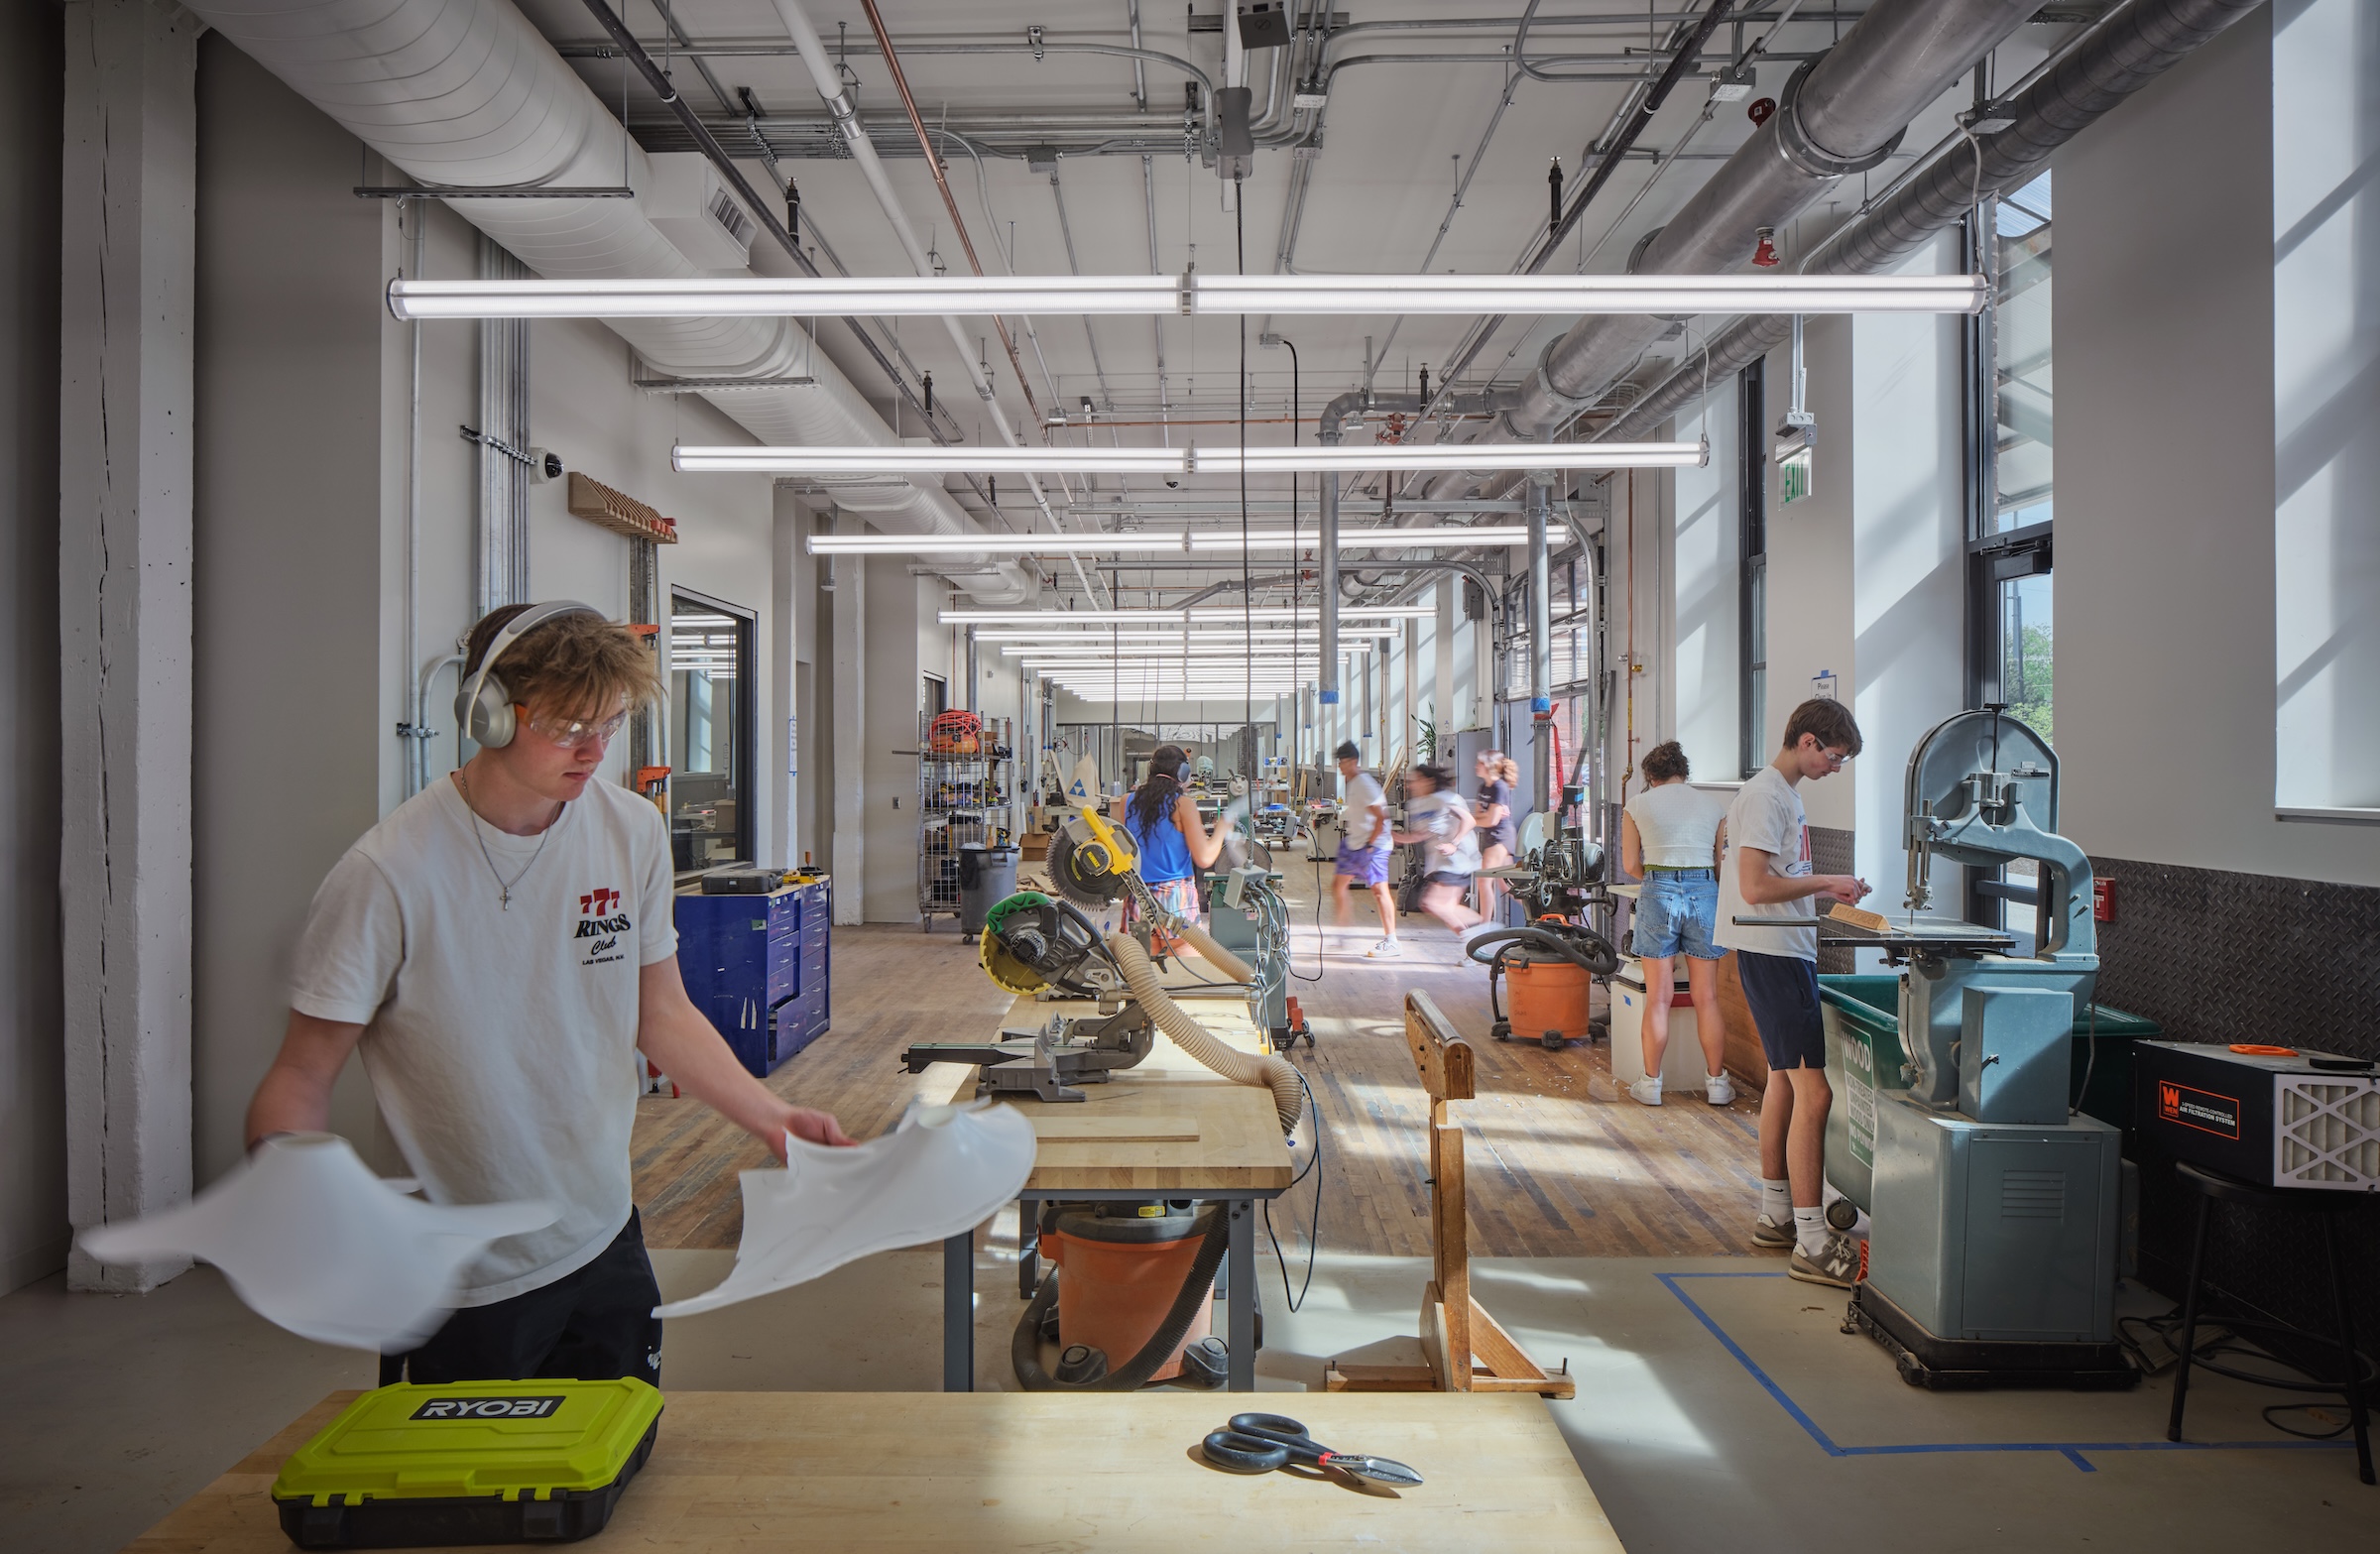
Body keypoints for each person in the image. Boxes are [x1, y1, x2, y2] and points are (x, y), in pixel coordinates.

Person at [245, 602, 854, 1386]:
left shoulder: (630, 830)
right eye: (570, 727)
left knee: (609, 1470)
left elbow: (659, 1012)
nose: (596, 750)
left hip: (603, 1233)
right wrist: (291, 1191)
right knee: (471, 1501)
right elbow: (301, 1071)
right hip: (460, 1274)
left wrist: (773, 1118)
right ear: (488, 714)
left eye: (612, 724)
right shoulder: (388, 874)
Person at [1715, 698, 1872, 1289]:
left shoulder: (1783, 794)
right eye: (1833, 756)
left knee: (1783, 1081)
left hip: (1784, 951)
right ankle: (1811, 1240)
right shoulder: (1766, 796)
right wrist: (1829, 882)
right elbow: (1755, 887)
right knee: (1817, 1095)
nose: (1836, 767)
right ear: (1807, 741)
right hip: (1773, 954)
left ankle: (1778, 1213)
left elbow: (1773, 879)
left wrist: (1825, 892)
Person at [1619, 741, 1730, 1108]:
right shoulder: (1714, 807)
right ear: (1684, 774)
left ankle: (1651, 1084)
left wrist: (1659, 879)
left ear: (1651, 777)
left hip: (1658, 890)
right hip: (1705, 892)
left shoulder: (1637, 806)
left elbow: (1631, 865)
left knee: (1659, 998)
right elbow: (1719, 864)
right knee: (1707, 997)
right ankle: (1716, 1082)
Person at [1121, 743, 1236, 952]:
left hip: (1137, 898)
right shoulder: (1183, 804)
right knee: (1183, 979)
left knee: (1143, 978)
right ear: (1183, 773)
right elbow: (1204, 858)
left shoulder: (1127, 801)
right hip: (1175, 900)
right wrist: (1222, 829)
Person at [1393, 763, 1485, 937]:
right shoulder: (1417, 805)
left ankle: (1478, 935)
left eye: (1416, 780)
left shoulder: (1447, 798)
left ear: (1429, 781)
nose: (1411, 785)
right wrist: (1399, 838)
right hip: (1440, 862)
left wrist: (1454, 844)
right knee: (1444, 908)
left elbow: (1469, 820)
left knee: (1433, 905)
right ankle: (1480, 935)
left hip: (1459, 859)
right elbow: (1422, 834)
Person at [1330, 740, 1400, 958]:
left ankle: (1392, 941)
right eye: (1338, 762)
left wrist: (1370, 846)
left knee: (1379, 891)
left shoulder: (1364, 784)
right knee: (1338, 886)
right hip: (1354, 842)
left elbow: (1382, 817)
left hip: (1374, 844)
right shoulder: (1351, 783)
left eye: (1342, 761)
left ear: (1353, 761)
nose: (1339, 766)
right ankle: (1343, 935)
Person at [1473, 750, 1520, 918]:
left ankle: (1483, 927)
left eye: (1480, 763)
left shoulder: (1500, 787)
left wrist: (1473, 820)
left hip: (1500, 837)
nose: (1476, 766)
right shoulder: (1484, 787)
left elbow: (1490, 820)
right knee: (1506, 885)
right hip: (1492, 836)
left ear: (1489, 766)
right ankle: (1537, 915)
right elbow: (1480, 815)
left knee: (1484, 880)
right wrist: (1481, 818)